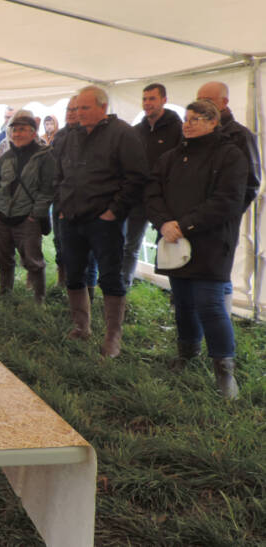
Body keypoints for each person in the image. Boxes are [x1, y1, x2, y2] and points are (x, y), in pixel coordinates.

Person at [145, 100, 247, 398]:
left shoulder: (230, 155)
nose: (188, 124)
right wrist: (164, 223)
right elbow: (152, 193)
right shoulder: (171, 158)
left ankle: (224, 370)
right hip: (174, 240)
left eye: (197, 119)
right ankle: (186, 353)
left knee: (210, 304)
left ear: (214, 122)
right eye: (186, 119)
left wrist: (185, 225)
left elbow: (228, 200)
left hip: (212, 241)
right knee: (183, 301)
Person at [55, 85, 148, 358]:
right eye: (75, 108)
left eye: (84, 108)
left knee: (109, 276)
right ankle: (81, 327)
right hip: (71, 218)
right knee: (73, 274)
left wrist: (114, 211)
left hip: (103, 221)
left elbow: (137, 177)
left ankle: (112, 337)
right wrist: (61, 206)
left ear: (102, 107)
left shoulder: (122, 134)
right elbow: (58, 174)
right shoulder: (71, 136)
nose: (79, 113)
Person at [196, 81, 263, 315]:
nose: (203, 104)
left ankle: (220, 325)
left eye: (209, 100)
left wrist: (229, 213)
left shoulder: (240, 136)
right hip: (195, 217)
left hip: (223, 219)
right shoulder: (194, 133)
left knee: (217, 272)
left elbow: (252, 183)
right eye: (200, 98)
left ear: (224, 103)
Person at [0, 111, 55, 302]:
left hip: (28, 218)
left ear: (33, 132)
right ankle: (4, 294)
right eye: (15, 130)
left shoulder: (45, 156)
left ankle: (38, 299)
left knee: (33, 261)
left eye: (23, 130)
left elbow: (48, 189)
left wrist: (35, 215)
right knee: (2, 259)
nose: (17, 134)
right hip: (1, 216)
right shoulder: (6, 156)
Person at [125, 83, 182, 288]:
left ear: (164, 100)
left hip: (165, 200)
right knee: (130, 245)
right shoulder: (135, 131)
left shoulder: (178, 129)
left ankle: (178, 295)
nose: (147, 103)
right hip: (138, 197)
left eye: (152, 99)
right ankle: (123, 287)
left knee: (171, 247)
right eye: (145, 99)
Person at [52, 95, 99, 294]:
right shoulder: (60, 136)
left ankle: (89, 287)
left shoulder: (92, 135)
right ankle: (64, 280)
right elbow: (54, 168)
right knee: (60, 241)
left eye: (76, 109)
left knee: (89, 248)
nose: (72, 113)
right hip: (61, 199)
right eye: (69, 110)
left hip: (87, 201)